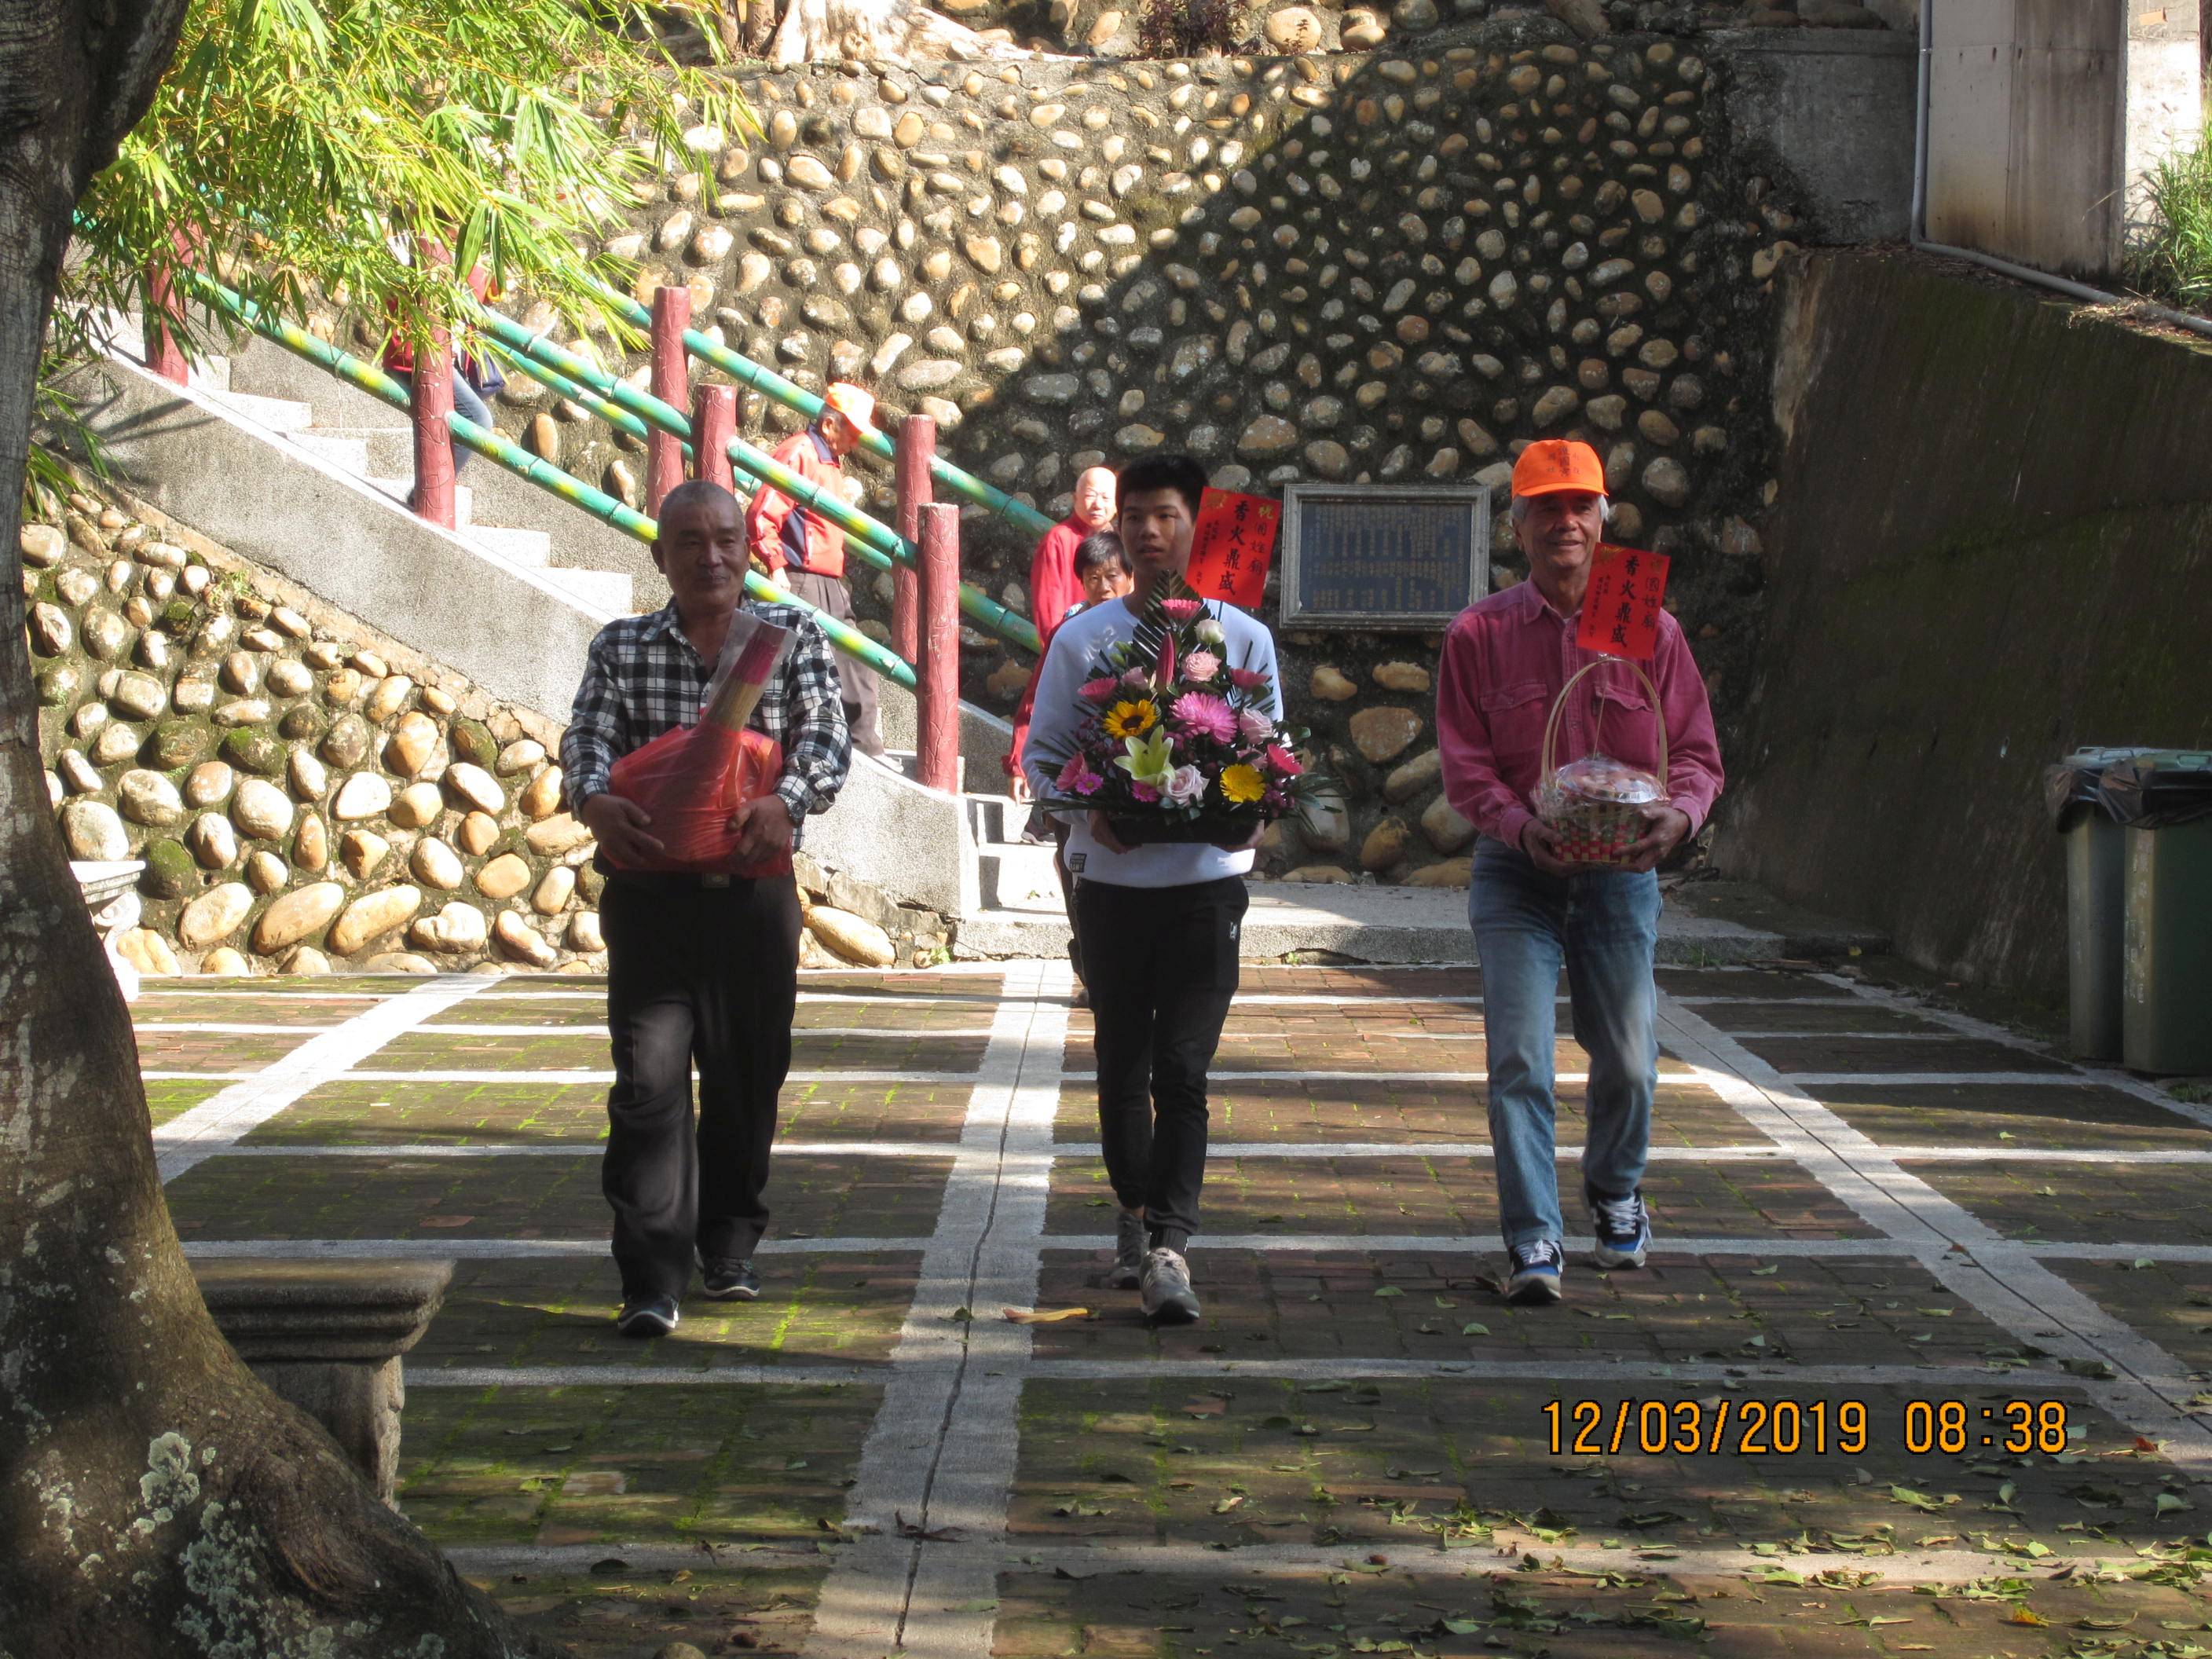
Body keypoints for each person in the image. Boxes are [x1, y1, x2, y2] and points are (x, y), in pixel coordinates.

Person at [1434, 439, 1724, 1307]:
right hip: (1517, 872)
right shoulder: (1478, 634)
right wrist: (1522, 829)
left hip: (1621, 871)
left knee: (1629, 1058)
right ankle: (1533, 1234)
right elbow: (1466, 770)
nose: (1565, 522)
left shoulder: (1651, 629)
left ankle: (1614, 1186)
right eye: (1545, 508)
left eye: (1580, 506)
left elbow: (1695, 754)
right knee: (1520, 1058)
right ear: (1517, 525)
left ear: (1604, 518)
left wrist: (1680, 815)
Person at [562, 480, 852, 1338]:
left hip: (752, 900)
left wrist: (786, 803)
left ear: (748, 548)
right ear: (660, 556)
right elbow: (587, 737)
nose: (711, 557)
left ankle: (729, 1243)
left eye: (725, 539)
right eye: (689, 542)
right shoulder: (622, 646)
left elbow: (824, 735)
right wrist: (593, 800)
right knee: (647, 1085)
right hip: (650, 902)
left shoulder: (788, 635)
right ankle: (651, 1276)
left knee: (745, 1079)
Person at [1023, 455, 1279, 1327]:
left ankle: (1171, 1243)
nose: (1148, 531)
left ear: (1198, 525)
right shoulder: (1083, 639)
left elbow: (1270, 757)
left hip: (1207, 886)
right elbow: (1044, 757)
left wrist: (1254, 816)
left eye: (1166, 515)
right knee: (1121, 1061)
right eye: (1135, 516)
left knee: (1184, 1069)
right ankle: (1133, 1209)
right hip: (1111, 883)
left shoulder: (1243, 639)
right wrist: (1089, 811)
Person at [1005, 531, 1134, 1003]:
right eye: (1093, 578)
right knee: (1076, 874)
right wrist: (1020, 759)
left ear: (1131, 576)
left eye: (1112, 576)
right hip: (1074, 773)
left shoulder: (1154, 627)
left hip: (1136, 774)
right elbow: (1038, 700)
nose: (1103, 586)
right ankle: (1093, 973)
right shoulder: (1070, 631)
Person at [745, 383, 884, 756]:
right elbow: (762, 513)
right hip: (800, 576)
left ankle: (864, 747)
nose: (855, 442)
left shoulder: (826, 460)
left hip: (826, 579)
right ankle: (857, 746)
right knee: (808, 662)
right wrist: (775, 565)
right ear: (828, 425)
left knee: (855, 659)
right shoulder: (801, 453)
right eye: (852, 432)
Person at [1021, 465, 1119, 684]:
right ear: (1075, 499)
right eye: (1090, 495)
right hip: (1071, 658)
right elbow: (1049, 613)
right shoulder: (1058, 540)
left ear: (1116, 504)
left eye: (1106, 497)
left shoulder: (1121, 543)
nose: (1098, 504)